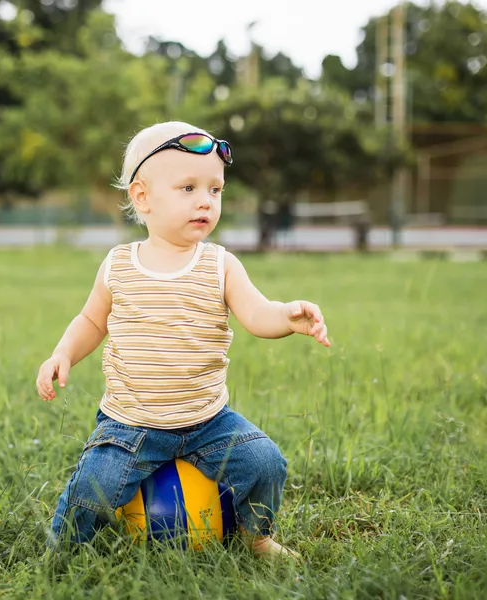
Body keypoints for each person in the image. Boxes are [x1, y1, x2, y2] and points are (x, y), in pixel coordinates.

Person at [36, 121, 330, 557]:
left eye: (215, 190)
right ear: (142, 197)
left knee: (265, 463)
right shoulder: (119, 265)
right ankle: (61, 553)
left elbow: (256, 314)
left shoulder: (220, 265)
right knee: (92, 486)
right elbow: (91, 322)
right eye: (188, 188)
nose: (206, 202)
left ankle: (256, 536)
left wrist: (287, 316)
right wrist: (62, 353)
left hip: (209, 420)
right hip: (130, 424)